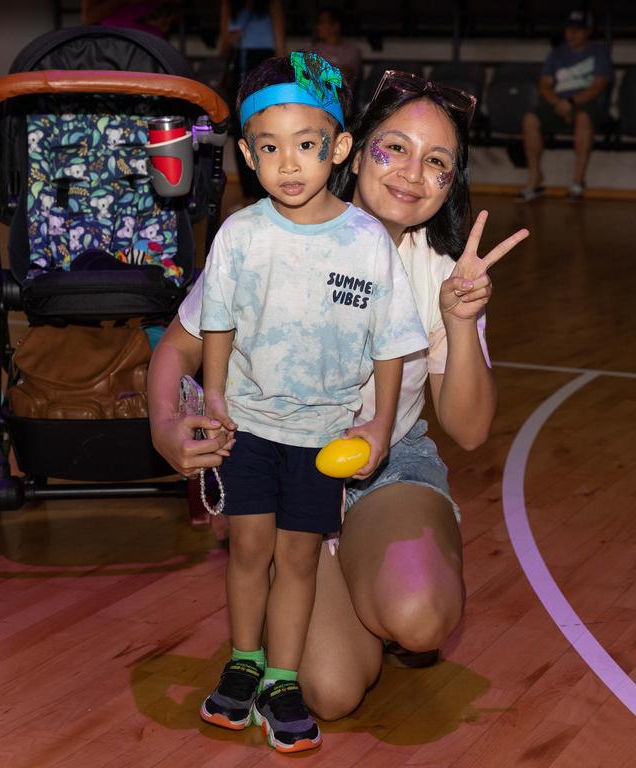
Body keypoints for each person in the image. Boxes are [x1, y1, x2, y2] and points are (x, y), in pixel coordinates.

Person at [147, 69, 529, 721]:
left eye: (437, 161)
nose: (412, 172)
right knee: (328, 690)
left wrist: (461, 324)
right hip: (283, 454)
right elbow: (176, 348)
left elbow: (467, 431)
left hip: (385, 462)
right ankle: (324, 577)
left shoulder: (442, 273)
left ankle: (375, 582)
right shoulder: (266, 236)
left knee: (419, 616)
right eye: (395, 148)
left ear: (451, 181)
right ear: (351, 149)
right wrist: (164, 423)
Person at [196, 51, 428, 754]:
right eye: (269, 148)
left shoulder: (364, 242)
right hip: (251, 423)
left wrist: (381, 422)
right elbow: (217, 322)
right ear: (246, 152)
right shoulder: (241, 235)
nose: (288, 165)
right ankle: (244, 660)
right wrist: (211, 395)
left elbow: (392, 343)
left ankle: (283, 677)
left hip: (324, 436)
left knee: (298, 557)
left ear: (341, 148)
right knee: (248, 549)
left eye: (306, 146)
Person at [518, 7, 611, 202]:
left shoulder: (599, 53)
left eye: (578, 29)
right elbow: (544, 86)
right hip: (558, 103)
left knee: (584, 118)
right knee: (530, 119)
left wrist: (571, 103)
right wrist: (559, 103)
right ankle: (535, 179)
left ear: (588, 31)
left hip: (587, 104)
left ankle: (577, 181)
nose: (572, 33)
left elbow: (597, 86)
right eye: (569, 29)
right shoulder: (556, 54)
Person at [220, 0, 285, 201]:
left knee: (268, 125)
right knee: (242, 128)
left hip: (264, 64)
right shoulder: (229, 5)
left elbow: (280, 45)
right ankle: (248, 195)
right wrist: (231, 39)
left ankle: (268, 191)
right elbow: (223, 47)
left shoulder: (272, 4)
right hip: (239, 65)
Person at [310, 7, 362, 92]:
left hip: (343, 99)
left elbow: (344, 77)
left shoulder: (352, 51)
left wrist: (319, 70)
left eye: (322, 22)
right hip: (316, 98)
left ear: (336, 26)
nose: (318, 26)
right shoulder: (313, 50)